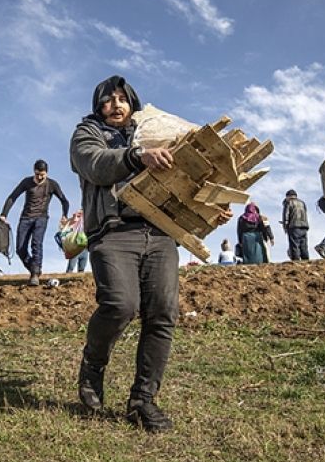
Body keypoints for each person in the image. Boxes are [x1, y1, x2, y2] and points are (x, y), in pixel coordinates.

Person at [70, 74, 231, 432]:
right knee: (120, 304)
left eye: (122, 99)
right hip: (114, 232)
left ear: (132, 103)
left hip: (160, 233)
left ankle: (143, 400)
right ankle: (93, 364)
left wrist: (210, 209)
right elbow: (95, 164)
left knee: (162, 313)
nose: (116, 105)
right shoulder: (88, 134)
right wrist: (137, 156)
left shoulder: (155, 133)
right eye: (108, 100)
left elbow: (184, 184)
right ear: (98, 106)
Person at [0, 159, 70, 286]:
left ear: (46, 173)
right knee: (20, 249)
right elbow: (12, 197)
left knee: (36, 244)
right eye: (37, 174)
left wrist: (64, 215)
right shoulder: (27, 182)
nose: (39, 177)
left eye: (42, 175)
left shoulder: (52, 184)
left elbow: (64, 201)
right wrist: (4, 214)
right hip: (25, 218)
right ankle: (35, 269)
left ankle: (35, 275)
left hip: (41, 218)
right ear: (34, 171)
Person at [281, 190, 310, 261]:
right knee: (304, 245)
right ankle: (306, 260)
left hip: (294, 226)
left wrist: (285, 226)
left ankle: (296, 261)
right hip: (304, 226)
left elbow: (286, 215)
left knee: (294, 245)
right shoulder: (302, 203)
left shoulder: (288, 202)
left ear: (288, 196)